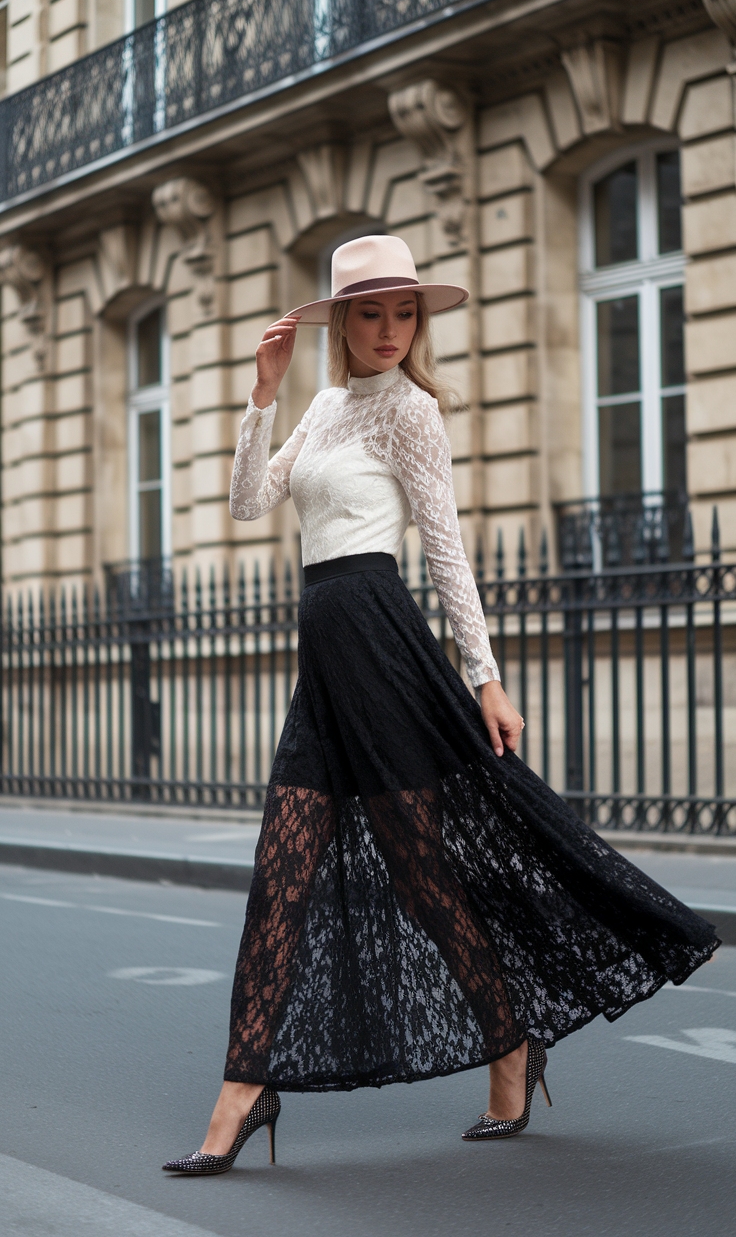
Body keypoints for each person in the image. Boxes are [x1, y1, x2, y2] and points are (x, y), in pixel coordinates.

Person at [163, 235, 718, 1175]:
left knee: (425, 873)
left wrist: (485, 675)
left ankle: (507, 1045)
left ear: (419, 321)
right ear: (342, 320)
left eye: (404, 312)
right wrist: (262, 395)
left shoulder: (412, 413)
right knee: (282, 874)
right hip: (325, 663)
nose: (390, 330)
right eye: (371, 312)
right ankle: (246, 1087)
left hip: (380, 645)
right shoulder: (326, 405)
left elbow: (446, 551)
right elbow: (251, 502)